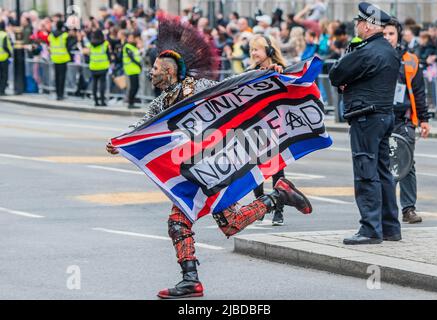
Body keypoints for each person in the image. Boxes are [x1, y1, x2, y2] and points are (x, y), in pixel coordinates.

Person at [106, 17, 313, 299]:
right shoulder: (160, 102)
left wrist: (272, 74)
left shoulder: (199, 87)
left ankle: (191, 280)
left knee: (180, 223)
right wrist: (120, 142)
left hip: (213, 165)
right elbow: (141, 128)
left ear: (168, 72)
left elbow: (233, 88)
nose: (150, 74)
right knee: (231, 223)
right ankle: (278, 195)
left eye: (154, 69)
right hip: (192, 169)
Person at [329, 2, 401, 245]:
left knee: (366, 172)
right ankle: (390, 227)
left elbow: (336, 74)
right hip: (383, 116)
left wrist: (349, 58)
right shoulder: (389, 50)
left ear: (369, 25)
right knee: (383, 173)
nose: (356, 26)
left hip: (366, 117)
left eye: (359, 22)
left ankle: (370, 228)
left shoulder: (366, 51)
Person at [383, 18, 430, 224]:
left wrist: (424, 119)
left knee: (407, 163)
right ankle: (387, 209)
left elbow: (419, 91)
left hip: (403, 120)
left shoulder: (410, 60)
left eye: (391, 34)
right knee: (385, 164)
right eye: (384, 34)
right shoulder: (373, 55)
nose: (387, 38)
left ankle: (408, 209)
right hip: (381, 118)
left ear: (398, 36)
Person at [248, 35, 287, 225]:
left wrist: (277, 73)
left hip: (276, 127)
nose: (253, 53)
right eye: (252, 50)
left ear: (269, 51)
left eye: (257, 49)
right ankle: (260, 207)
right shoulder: (250, 73)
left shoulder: (281, 71)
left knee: (277, 170)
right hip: (255, 127)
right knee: (256, 171)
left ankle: (279, 210)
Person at [85, 29, 111, 106]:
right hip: (103, 67)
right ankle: (102, 101)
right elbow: (109, 55)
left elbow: (87, 53)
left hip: (93, 66)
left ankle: (96, 101)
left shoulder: (90, 44)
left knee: (94, 84)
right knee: (102, 85)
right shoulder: (105, 44)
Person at [48, 20, 71, 100]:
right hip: (63, 58)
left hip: (55, 58)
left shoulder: (51, 35)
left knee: (57, 77)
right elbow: (68, 46)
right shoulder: (64, 35)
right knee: (62, 77)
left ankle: (58, 94)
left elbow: (49, 42)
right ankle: (61, 94)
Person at [122, 31, 142, 109]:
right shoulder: (127, 46)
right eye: (130, 38)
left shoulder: (134, 47)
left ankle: (132, 101)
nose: (132, 39)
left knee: (136, 86)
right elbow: (132, 58)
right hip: (130, 69)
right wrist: (139, 64)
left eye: (132, 38)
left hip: (135, 69)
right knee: (133, 87)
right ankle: (130, 103)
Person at [0, 21, 13, 96]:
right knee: (4, 75)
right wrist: (10, 54)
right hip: (4, 58)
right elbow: (5, 46)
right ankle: (2, 91)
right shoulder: (4, 35)